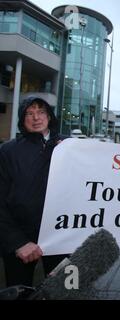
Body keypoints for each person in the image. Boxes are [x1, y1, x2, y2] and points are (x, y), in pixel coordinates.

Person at [0, 96, 67, 287]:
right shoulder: (8, 151)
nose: (36, 118)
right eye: (30, 113)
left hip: (62, 237)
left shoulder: (68, 146)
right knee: (19, 291)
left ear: (49, 116)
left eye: (41, 112)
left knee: (70, 289)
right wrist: (16, 242)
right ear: (22, 119)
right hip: (21, 239)